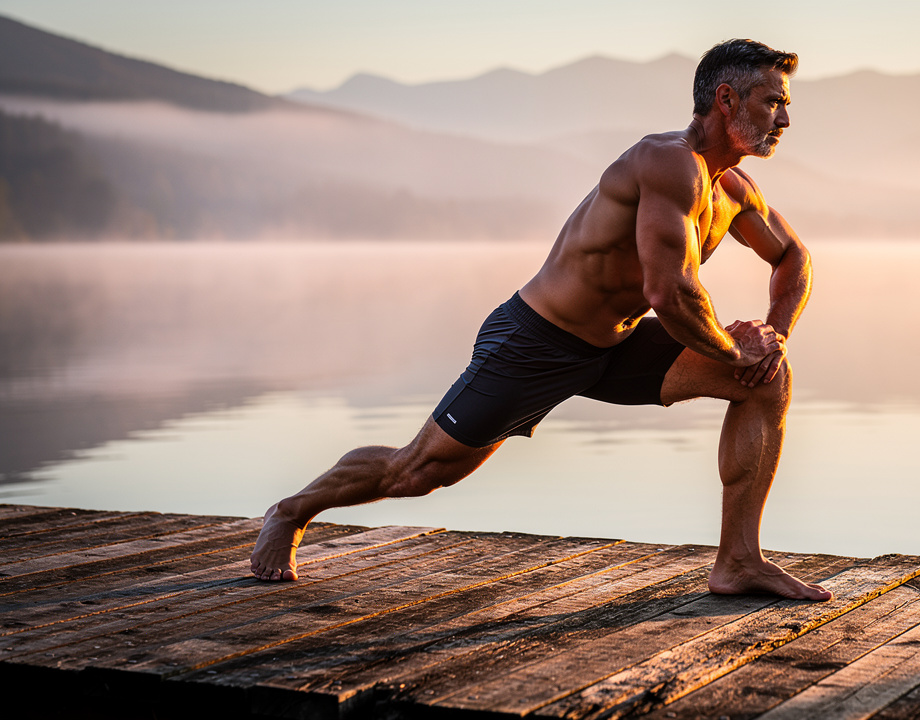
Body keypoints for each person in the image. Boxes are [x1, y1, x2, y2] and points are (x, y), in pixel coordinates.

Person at [250, 39, 830, 601]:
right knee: (417, 473)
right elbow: (669, 289)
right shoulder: (667, 163)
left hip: (615, 347)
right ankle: (291, 511)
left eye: (785, 105)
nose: (783, 119)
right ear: (726, 100)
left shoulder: (734, 188)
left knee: (767, 380)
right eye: (772, 102)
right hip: (537, 339)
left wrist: (772, 338)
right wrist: (734, 352)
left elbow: (793, 258)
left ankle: (737, 562)